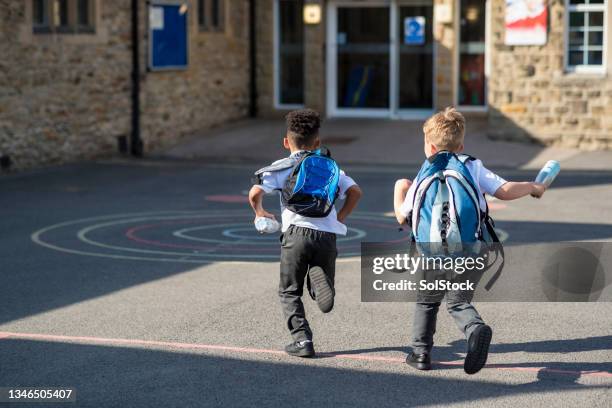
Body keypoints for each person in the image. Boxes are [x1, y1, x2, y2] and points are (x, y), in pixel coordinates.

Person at [393, 107, 546, 374]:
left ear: (429, 146)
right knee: (458, 301)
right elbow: (504, 190)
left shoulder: (424, 172)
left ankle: (420, 354)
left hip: (432, 254)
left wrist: (400, 189)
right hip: (471, 250)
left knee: (427, 302)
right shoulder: (471, 165)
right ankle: (475, 329)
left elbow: (402, 217)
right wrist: (533, 186)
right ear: (461, 145)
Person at [249, 109, 362, 358]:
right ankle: (321, 279)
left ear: (286, 142)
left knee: (289, 290)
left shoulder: (282, 167)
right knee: (319, 283)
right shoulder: (332, 168)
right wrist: (339, 218)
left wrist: (260, 213)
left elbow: (255, 193)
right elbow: (355, 192)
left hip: (296, 234)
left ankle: (302, 340)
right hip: (327, 236)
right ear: (318, 143)